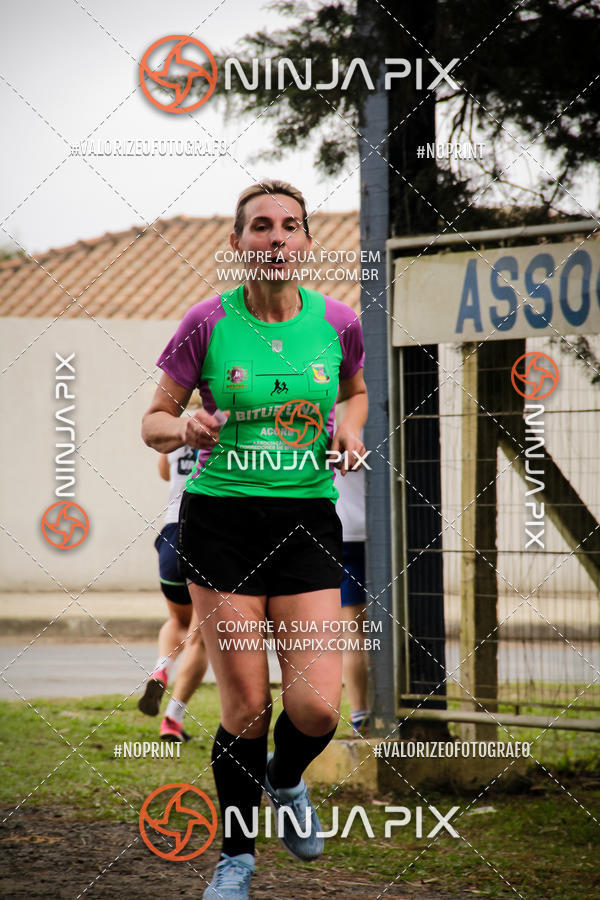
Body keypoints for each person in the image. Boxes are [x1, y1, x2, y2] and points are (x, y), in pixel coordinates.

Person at [141, 179, 367, 900]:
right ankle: (235, 860)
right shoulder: (207, 321)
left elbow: (355, 392)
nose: (276, 237)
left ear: (306, 242)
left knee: (318, 710)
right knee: (246, 708)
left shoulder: (338, 322)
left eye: (289, 225)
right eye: (261, 226)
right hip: (222, 525)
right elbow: (152, 420)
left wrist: (349, 429)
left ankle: (286, 778)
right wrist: (184, 427)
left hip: (306, 524)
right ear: (237, 243)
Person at [138, 442, 208, 742]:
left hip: (171, 533)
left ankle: (161, 668)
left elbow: (165, 473)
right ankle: (173, 718)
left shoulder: (174, 430)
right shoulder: (227, 424)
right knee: (200, 637)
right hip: (207, 533)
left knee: (178, 620)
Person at [336, 463, 370, 736]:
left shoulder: (316, 437)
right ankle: (366, 713)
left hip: (341, 530)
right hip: (377, 527)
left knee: (353, 628)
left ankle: (361, 714)